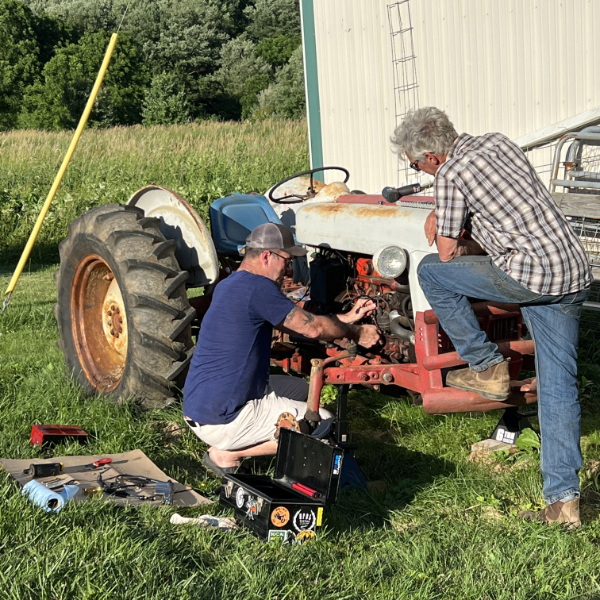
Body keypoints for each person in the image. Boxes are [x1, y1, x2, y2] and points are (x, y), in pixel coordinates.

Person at [391, 107, 592, 528]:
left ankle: (486, 365)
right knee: (558, 387)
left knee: (431, 270)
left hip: (533, 275)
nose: (420, 171)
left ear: (429, 156)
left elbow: (447, 253)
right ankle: (563, 503)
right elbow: (509, 219)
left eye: (416, 165)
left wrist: (451, 227)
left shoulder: (450, 175)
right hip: (573, 270)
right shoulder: (499, 141)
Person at [183, 222, 380, 477]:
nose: (288, 270)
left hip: (202, 404)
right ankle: (227, 453)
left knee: (306, 392)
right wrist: (359, 333)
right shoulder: (259, 288)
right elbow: (312, 330)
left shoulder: (232, 285)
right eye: (287, 260)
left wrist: (347, 317)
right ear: (267, 255)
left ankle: (241, 438)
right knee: (322, 420)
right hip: (223, 417)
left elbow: (299, 323)